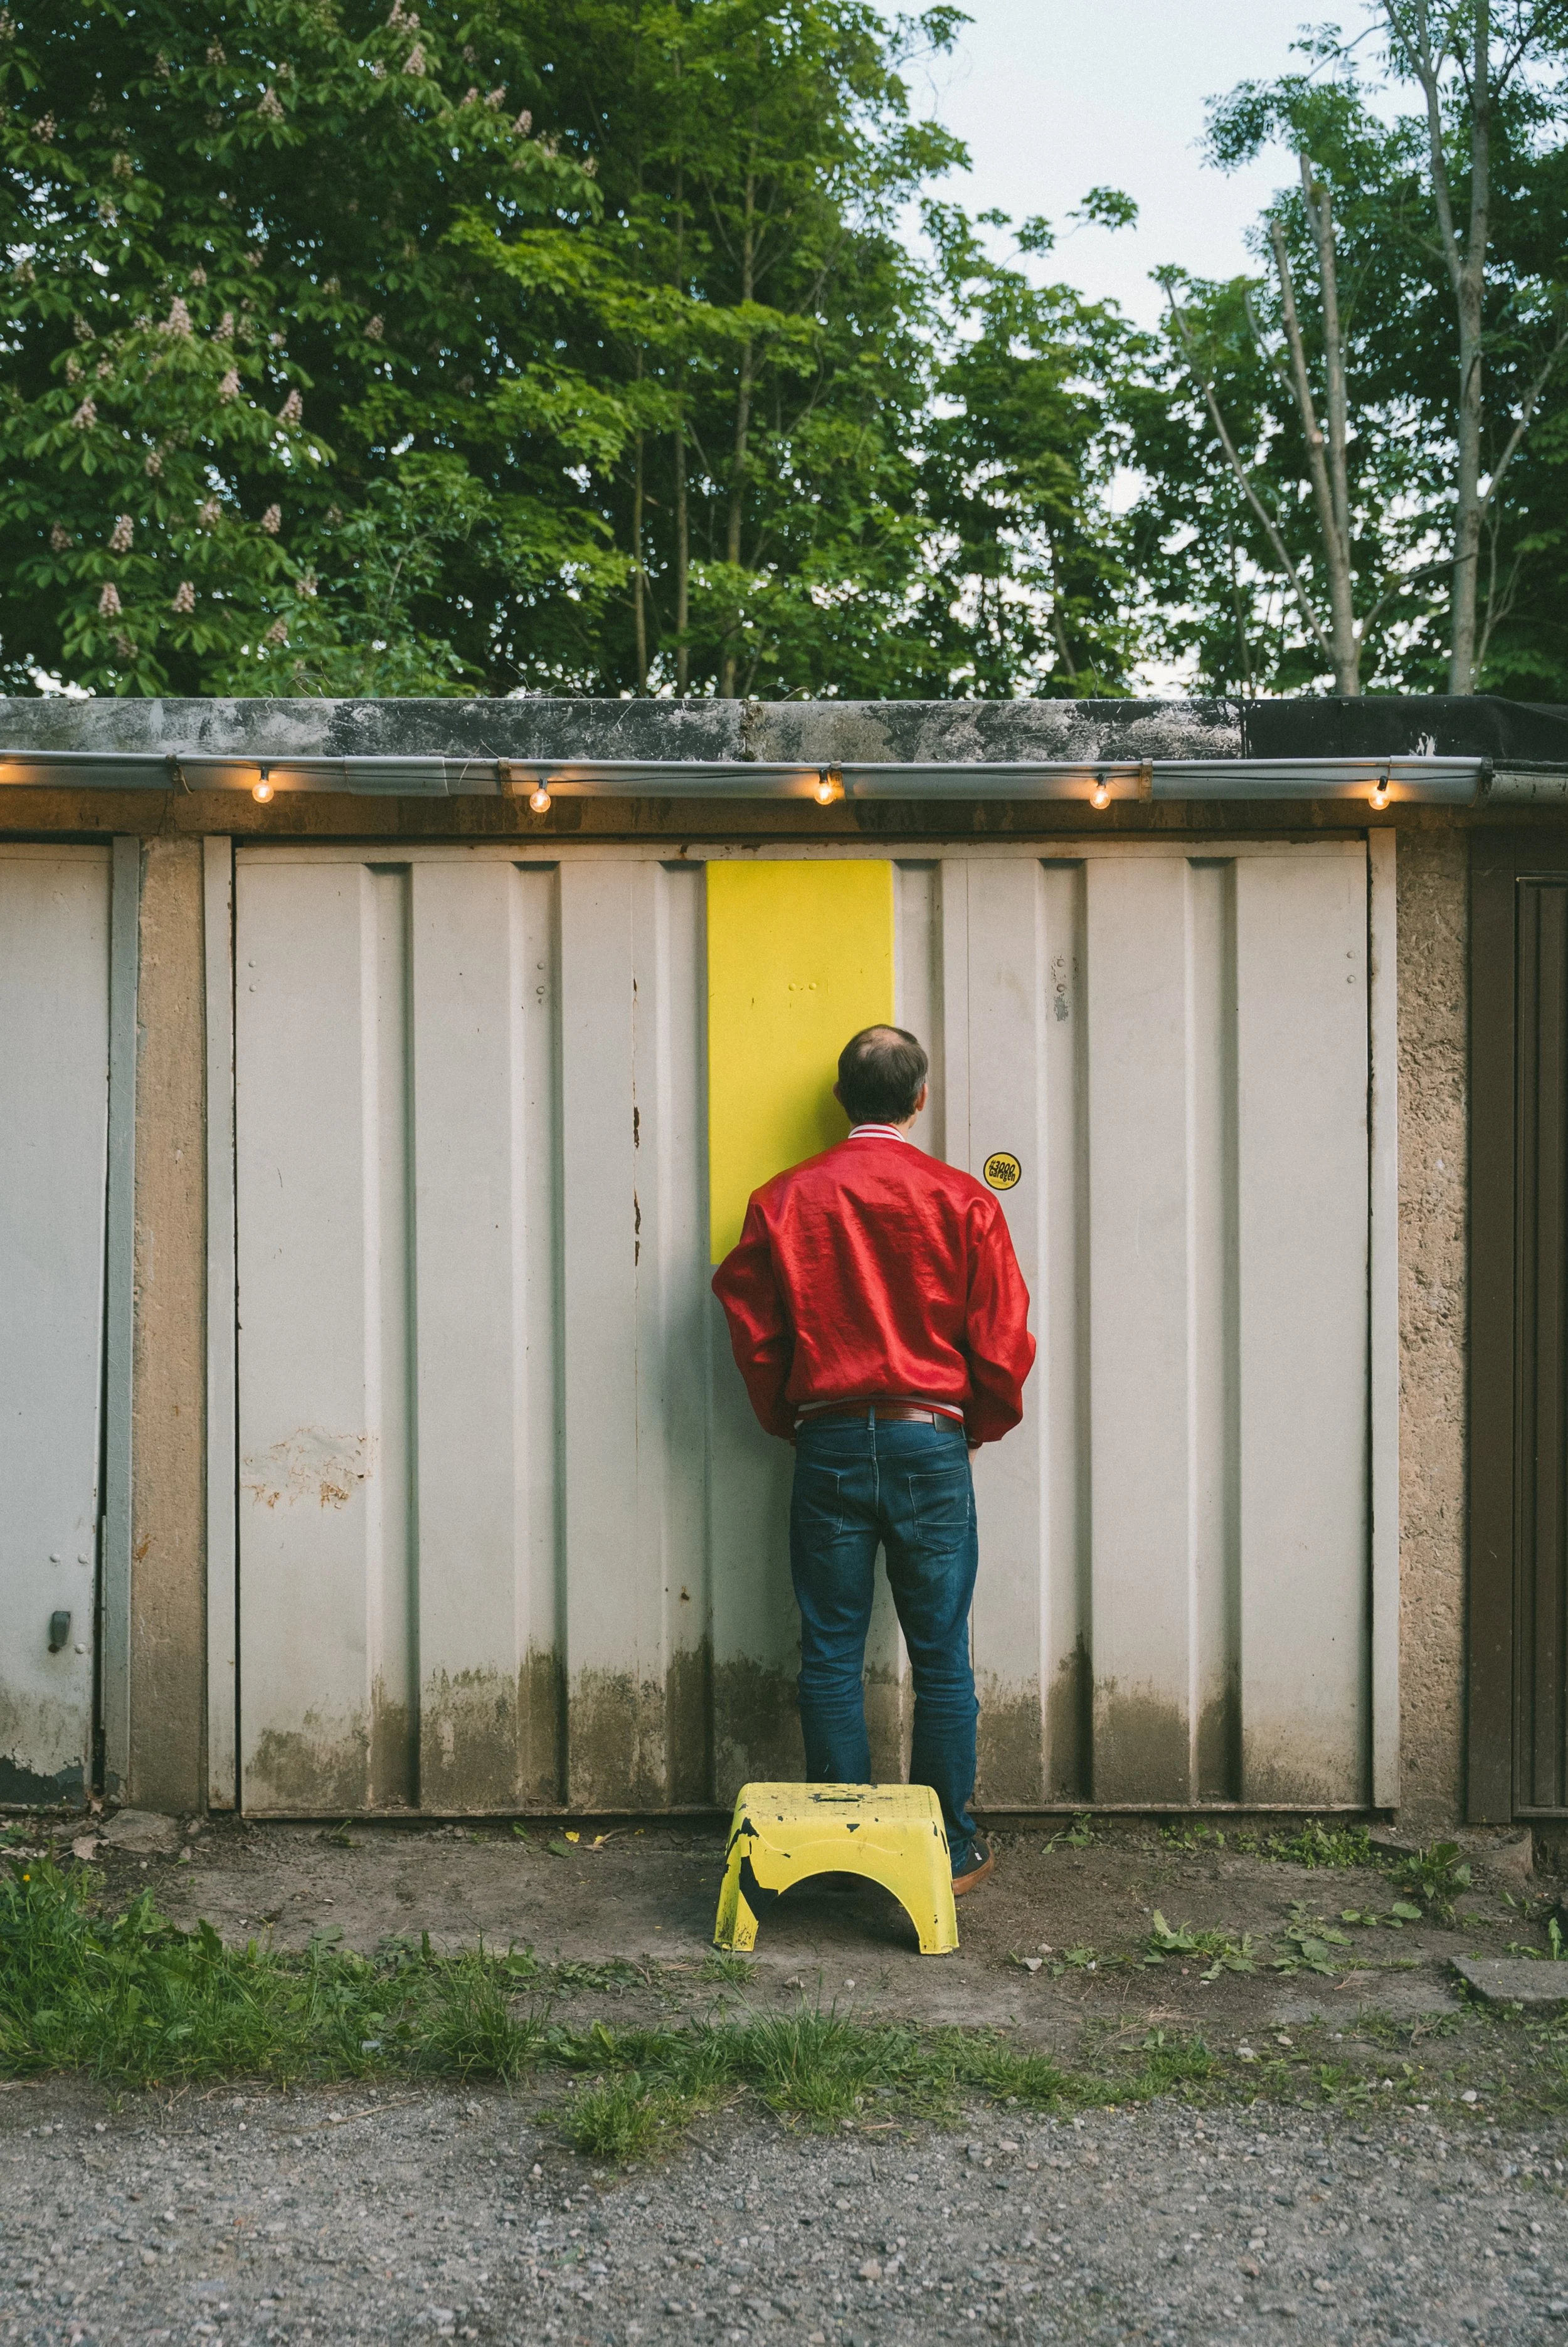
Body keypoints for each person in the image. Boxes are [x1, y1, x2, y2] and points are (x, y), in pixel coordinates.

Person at [711, 1023, 1036, 1897]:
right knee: (941, 1657)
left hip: (827, 1439)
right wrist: (972, 1426)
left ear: (841, 1099)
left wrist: (792, 1415)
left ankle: (847, 1851)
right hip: (930, 1436)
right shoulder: (965, 1200)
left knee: (829, 1651)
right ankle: (947, 1851)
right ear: (919, 1099)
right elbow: (1003, 1345)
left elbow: (753, 1329)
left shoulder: (783, 1200)